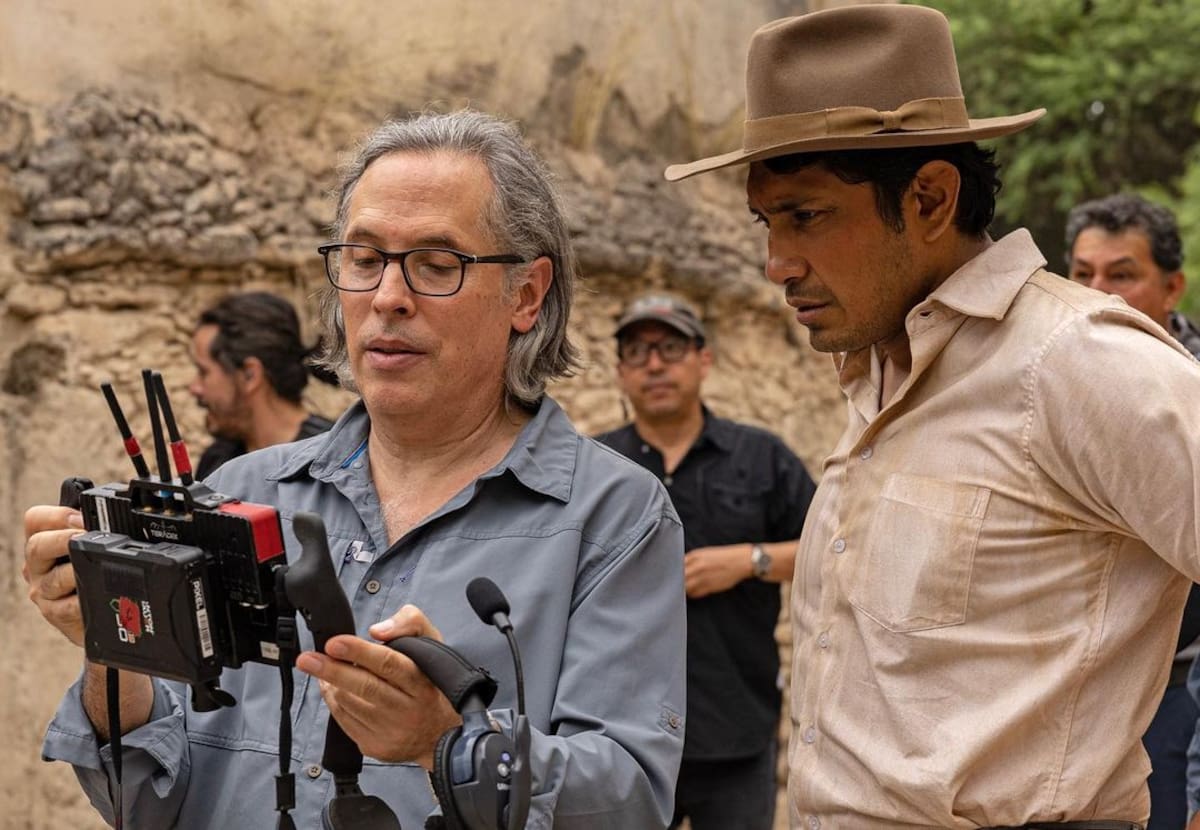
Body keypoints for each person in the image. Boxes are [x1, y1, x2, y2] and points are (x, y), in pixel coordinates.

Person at [24, 110, 686, 828]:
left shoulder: (615, 516)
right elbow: (144, 799)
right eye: (365, 260)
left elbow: (628, 803)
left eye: (437, 265)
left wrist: (445, 744)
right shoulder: (243, 494)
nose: (388, 297)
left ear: (525, 295)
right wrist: (111, 643)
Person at [664, 5, 1200, 828]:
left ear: (929, 198)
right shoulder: (883, 369)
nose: (776, 263)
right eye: (766, 222)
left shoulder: (1079, 366)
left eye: (806, 215)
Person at [596, 292, 816, 830]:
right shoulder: (594, 468)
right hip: (618, 738)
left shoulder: (762, 458)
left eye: (670, 347)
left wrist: (751, 560)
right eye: (637, 351)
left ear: (704, 360)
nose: (654, 364)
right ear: (620, 372)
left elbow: (835, 551)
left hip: (736, 732)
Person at [1065, 193, 1200, 830]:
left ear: (1171, 287)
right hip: (1070, 692)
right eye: (1082, 274)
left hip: (1179, 689)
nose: (1100, 294)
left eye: (1122, 275)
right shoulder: (1042, 381)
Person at [188, 291, 335, 479]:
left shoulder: (328, 460)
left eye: (204, 372)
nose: (194, 388)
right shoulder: (219, 461)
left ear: (250, 375)